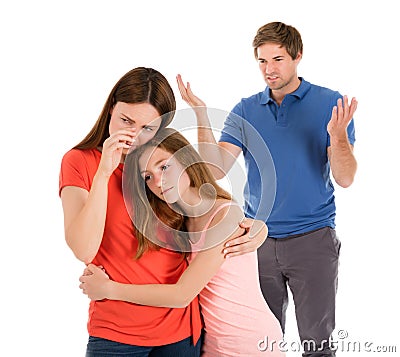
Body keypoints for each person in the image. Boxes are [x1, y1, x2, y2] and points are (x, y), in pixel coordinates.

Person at [176, 21, 357, 357]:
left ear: (297, 56)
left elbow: (345, 178)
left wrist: (338, 136)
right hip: (255, 241)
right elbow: (214, 170)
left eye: (278, 59)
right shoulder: (246, 110)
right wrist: (201, 116)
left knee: (318, 345)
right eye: (262, 61)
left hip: (312, 239)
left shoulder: (330, 104)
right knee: (261, 343)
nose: (269, 70)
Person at [59, 66, 266, 357]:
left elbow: (208, 183)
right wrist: (104, 172)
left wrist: (258, 227)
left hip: (181, 331)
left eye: (147, 129)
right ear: (110, 111)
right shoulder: (80, 162)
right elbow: (83, 248)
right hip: (118, 330)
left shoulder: (158, 162)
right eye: (125, 120)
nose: (133, 135)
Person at [79, 129, 285, 357]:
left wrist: (108, 289)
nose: (157, 181)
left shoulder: (223, 215)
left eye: (164, 166)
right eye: (147, 176)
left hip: (249, 341)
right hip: (211, 344)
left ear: (186, 159)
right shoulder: (180, 224)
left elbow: (182, 294)